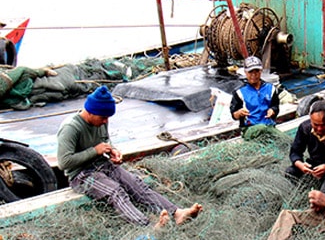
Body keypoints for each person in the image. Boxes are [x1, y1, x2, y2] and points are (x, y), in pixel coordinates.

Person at [57, 86, 202, 228]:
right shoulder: (71, 128)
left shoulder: (100, 121)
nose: (105, 121)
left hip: (103, 165)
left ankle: (177, 213)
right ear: (90, 112)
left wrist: (112, 151)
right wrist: (94, 151)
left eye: (107, 118)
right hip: (82, 175)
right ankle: (148, 227)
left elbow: (105, 141)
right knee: (115, 192)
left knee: (137, 184)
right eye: (103, 117)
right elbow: (64, 162)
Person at [285, 99, 325, 181]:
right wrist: (300, 164)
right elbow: (295, 152)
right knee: (290, 172)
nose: (319, 129)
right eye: (315, 124)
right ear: (310, 117)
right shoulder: (305, 128)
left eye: (324, 125)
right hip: (314, 165)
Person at [230, 56, 280, 130]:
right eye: (250, 72)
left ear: (261, 71)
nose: (254, 75)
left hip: (269, 126)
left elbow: (276, 106)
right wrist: (239, 113)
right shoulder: (239, 92)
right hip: (250, 128)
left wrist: (273, 110)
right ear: (245, 72)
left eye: (256, 71)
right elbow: (234, 115)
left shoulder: (271, 88)